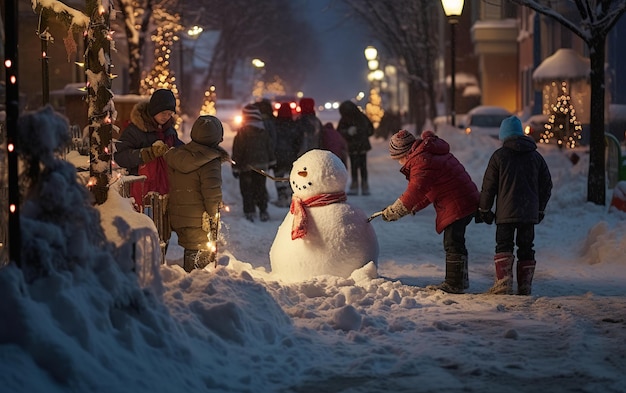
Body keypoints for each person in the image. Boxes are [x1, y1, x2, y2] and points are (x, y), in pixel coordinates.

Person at [381, 130, 479, 294]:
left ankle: (455, 283)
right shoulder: (427, 154)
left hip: (457, 201)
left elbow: (416, 190)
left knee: (453, 242)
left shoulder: (422, 160)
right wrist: (414, 207)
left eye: (398, 158)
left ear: (405, 152)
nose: (399, 163)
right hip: (462, 198)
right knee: (455, 241)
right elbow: (429, 189)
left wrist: (395, 211)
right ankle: (459, 280)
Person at [477, 115, 552, 295]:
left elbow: (489, 186)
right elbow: (546, 184)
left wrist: (484, 209)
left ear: (504, 135)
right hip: (528, 214)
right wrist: (540, 208)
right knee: (527, 247)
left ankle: (504, 284)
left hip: (505, 214)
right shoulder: (536, 157)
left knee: (504, 245)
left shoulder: (499, 157)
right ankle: (525, 286)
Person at [164, 115, 229, 272]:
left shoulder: (179, 155)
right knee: (199, 259)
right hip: (199, 219)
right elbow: (211, 193)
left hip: (177, 215)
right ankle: (196, 287)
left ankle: (189, 281)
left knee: (191, 250)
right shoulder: (210, 161)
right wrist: (214, 217)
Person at [114, 88, 183, 209]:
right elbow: (120, 156)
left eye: (169, 114)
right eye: (163, 113)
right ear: (154, 110)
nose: (166, 117)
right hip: (141, 191)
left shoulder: (169, 130)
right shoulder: (135, 130)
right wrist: (146, 154)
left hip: (165, 191)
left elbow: (178, 148)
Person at [232, 104, 276, 222]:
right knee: (260, 189)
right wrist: (271, 161)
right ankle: (263, 210)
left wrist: (235, 167)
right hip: (261, 166)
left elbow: (237, 150)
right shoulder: (263, 132)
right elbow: (269, 147)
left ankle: (249, 211)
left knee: (247, 190)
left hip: (246, 167)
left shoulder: (242, 133)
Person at [337, 100, 374, 195]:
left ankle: (355, 185)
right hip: (361, 146)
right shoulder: (362, 117)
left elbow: (339, 132)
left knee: (355, 166)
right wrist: (361, 133)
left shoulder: (345, 119)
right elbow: (370, 130)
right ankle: (364, 186)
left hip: (353, 146)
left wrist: (348, 132)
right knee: (362, 167)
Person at [272, 102, 303, 207]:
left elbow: (273, 140)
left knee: (279, 177)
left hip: (278, 155)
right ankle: (290, 196)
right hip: (291, 155)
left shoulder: (275, 125)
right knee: (291, 176)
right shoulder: (294, 125)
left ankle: (281, 197)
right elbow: (298, 141)